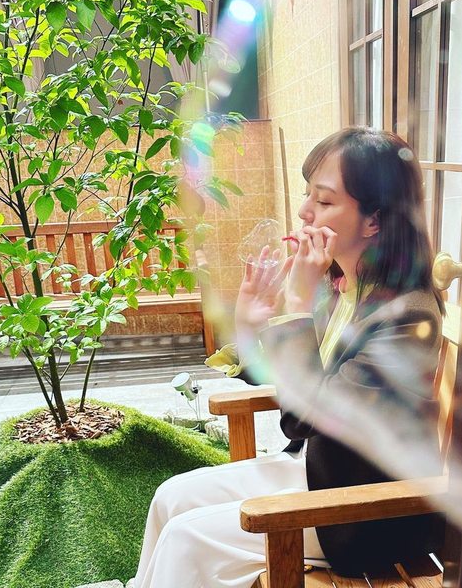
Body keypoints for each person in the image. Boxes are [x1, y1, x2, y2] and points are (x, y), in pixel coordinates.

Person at [132, 127, 445, 588]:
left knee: (186, 537)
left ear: (374, 221)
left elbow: (302, 418)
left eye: (324, 200)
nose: (304, 211)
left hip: (367, 510)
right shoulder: (341, 287)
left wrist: (295, 306)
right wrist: (251, 326)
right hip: (317, 469)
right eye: (307, 194)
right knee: (169, 497)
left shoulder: (408, 317)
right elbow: (288, 378)